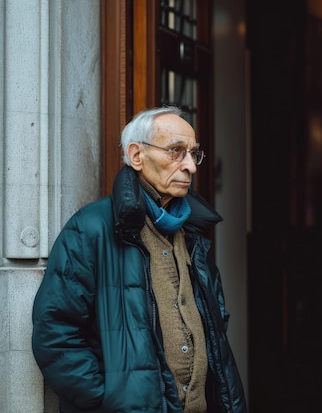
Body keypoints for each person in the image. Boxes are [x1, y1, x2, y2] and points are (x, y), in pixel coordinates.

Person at [32, 106, 247, 413]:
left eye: (193, 154)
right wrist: (106, 400)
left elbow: (215, 320)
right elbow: (55, 333)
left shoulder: (194, 232)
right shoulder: (92, 227)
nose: (191, 166)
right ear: (136, 156)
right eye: (176, 151)